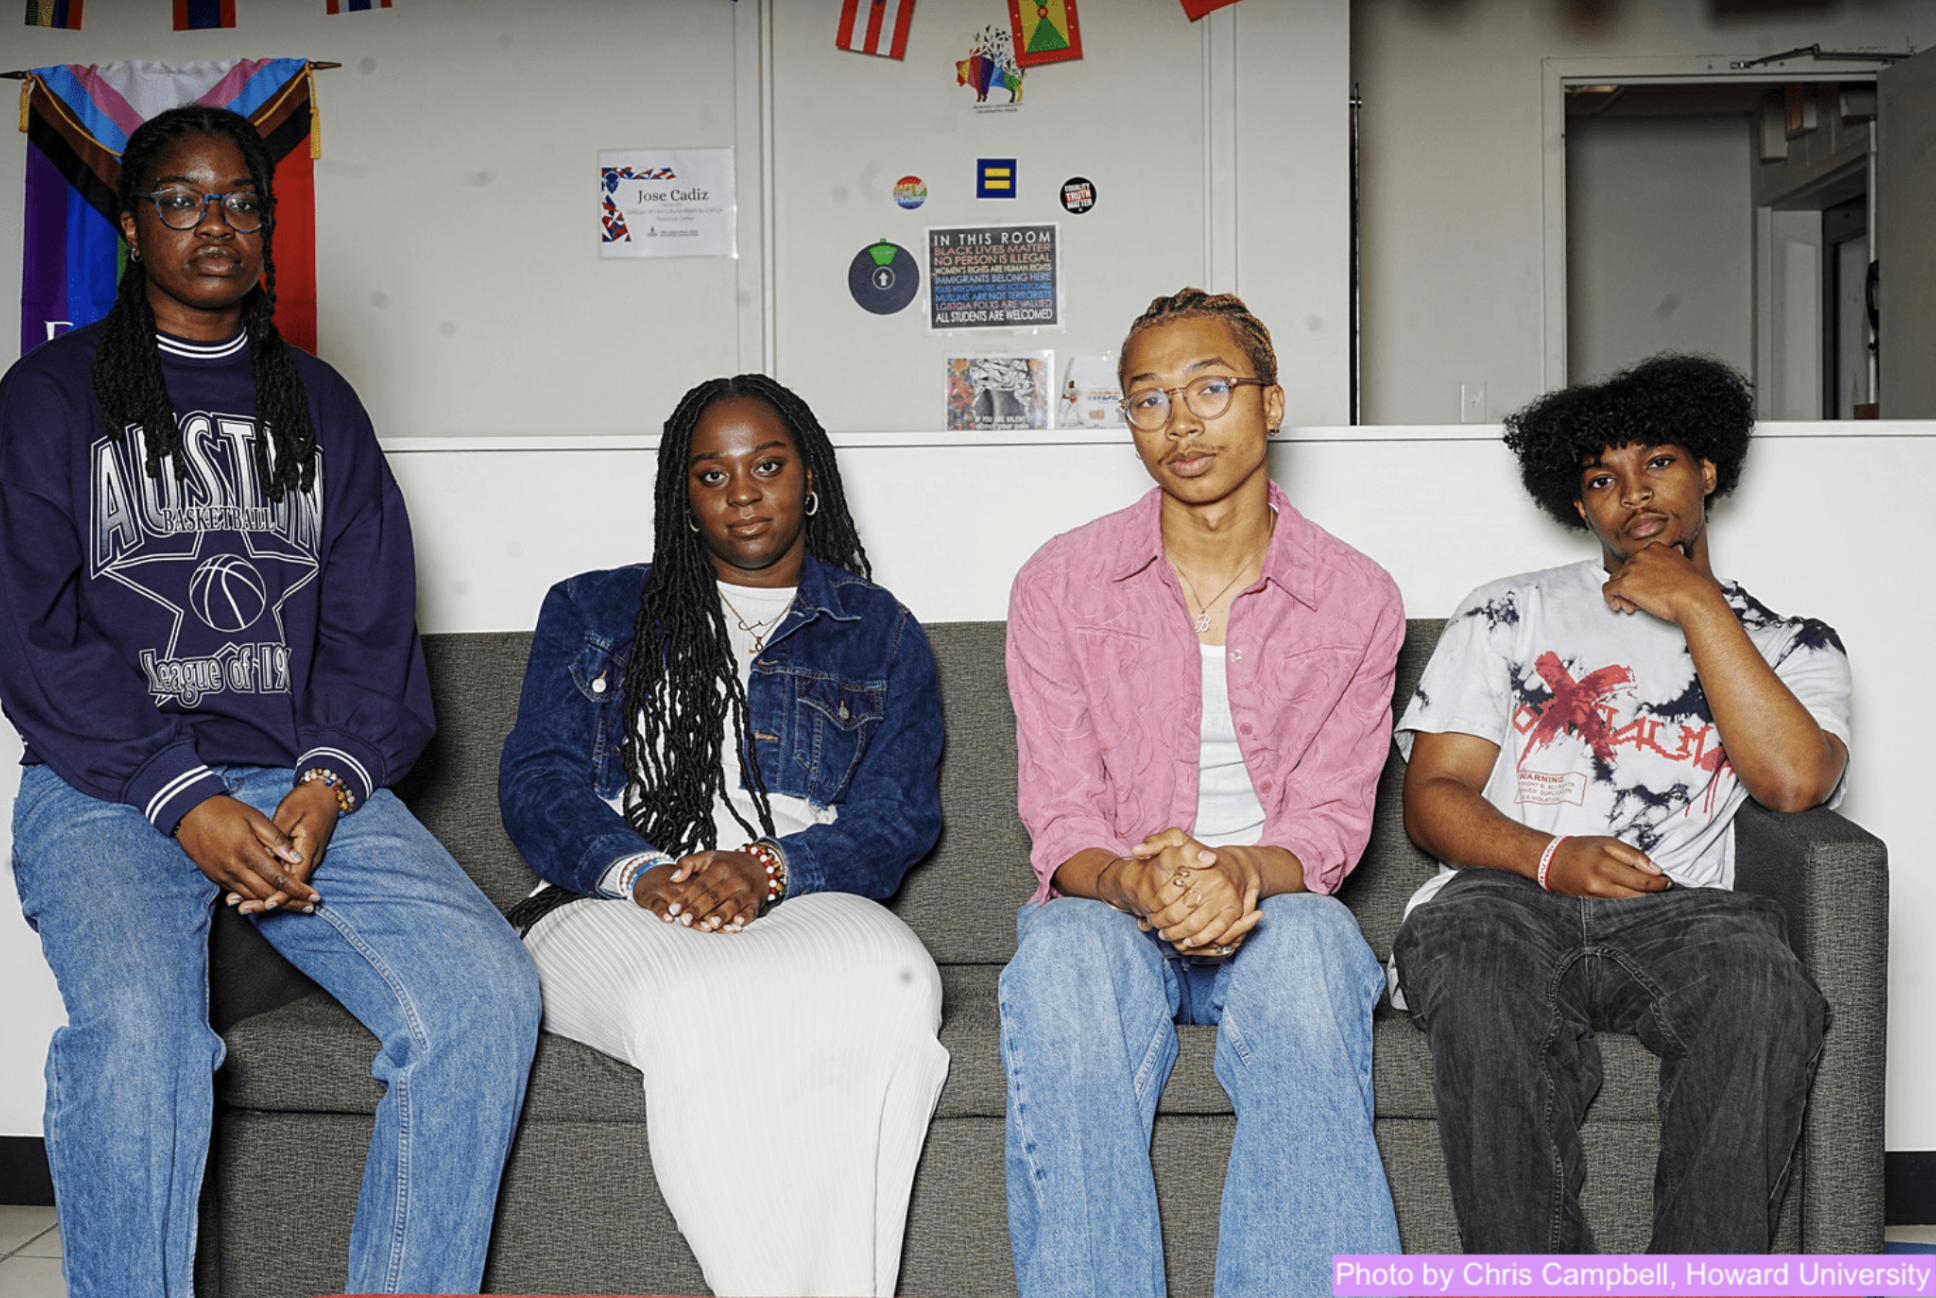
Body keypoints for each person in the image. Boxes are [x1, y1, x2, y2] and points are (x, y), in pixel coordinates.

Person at [0, 105, 540, 1298]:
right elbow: (32, 637)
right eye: (183, 199)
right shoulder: (46, 400)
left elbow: (367, 621)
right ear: (134, 226)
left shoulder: (319, 403)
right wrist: (178, 792)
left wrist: (328, 778)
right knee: (144, 1044)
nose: (215, 222)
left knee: (485, 994)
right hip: (109, 789)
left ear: (269, 229)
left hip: (301, 785)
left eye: (241, 200)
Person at [498, 373, 949, 1298]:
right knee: (700, 1008)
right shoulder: (592, 611)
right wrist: (642, 873)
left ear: (810, 479)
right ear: (683, 495)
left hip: (800, 889)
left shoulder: (880, 632)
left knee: (900, 989)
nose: (743, 492)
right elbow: (538, 784)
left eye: (768, 465)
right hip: (610, 896)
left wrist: (770, 867)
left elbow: (898, 816)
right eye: (712, 474)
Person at [1390, 354, 1848, 1253]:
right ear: (1578, 504)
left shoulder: (1793, 642)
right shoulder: (1506, 612)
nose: (1634, 494)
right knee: (1472, 956)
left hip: (1680, 914)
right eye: (1604, 479)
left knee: (1764, 982)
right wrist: (1553, 858)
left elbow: (1795, 783)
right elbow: (1431, 799)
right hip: (1509, 900)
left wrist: (1698, 606)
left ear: (1709, 470)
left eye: (1660, 464)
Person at [1000, 288, 1404, 1298]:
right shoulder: (1060, 581)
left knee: (1315, 950)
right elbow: (1062, 816)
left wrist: (1233, 873)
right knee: (1061, 962)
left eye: (1209, 388)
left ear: (1268, 403)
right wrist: (1142, 884)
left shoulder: (1357, 595)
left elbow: (1328, 821)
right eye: (1147, 400)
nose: (1179, 423)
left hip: (1271, 904)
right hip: (1113, 904)